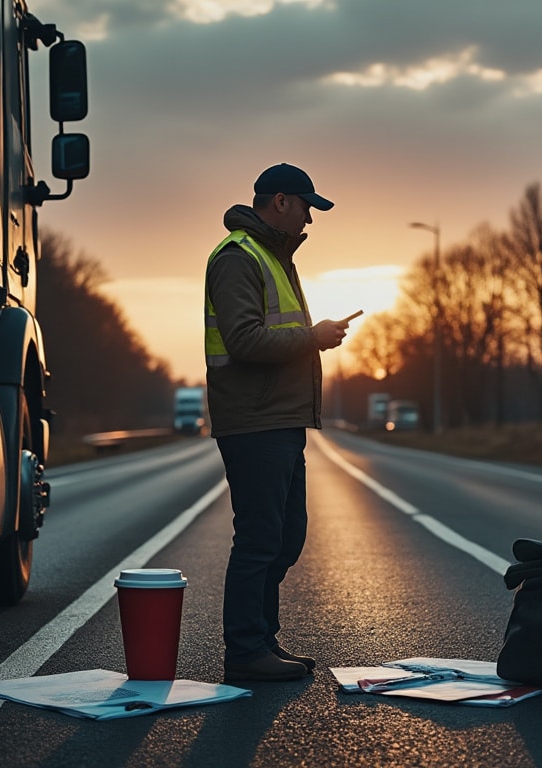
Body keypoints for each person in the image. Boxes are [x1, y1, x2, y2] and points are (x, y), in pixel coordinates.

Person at [203, 163, 350, 682]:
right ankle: (246, 652)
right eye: (307, 206)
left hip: (281, 419)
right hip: (254, 420)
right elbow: (243, 339)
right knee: (260, 539)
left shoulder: (272, 256)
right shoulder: (238, 257)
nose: (310, 219)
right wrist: (313, 337)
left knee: (286, 538)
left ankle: (262, 641)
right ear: (281, 201)